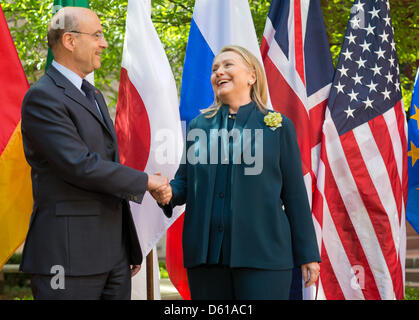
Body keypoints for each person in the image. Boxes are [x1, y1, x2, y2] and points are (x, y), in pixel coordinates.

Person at [19, 7, 168, 300]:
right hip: (67, 258)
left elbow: (107, 164)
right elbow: (79, 165)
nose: (104, 43)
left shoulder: (94, 95)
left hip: (114, 256)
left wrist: (126, 245)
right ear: (70, 41)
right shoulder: (43, 97)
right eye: (97, 35)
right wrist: (146, 181)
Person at [152, 45, 321, 300]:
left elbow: (295, 195)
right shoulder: (199, 126)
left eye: (228, 65)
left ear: (252, 76)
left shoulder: (278, 126)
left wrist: (308, 254)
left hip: (265, 257)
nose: (219, 72)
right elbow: (184, 183)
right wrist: (166, 192)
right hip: (207, 259)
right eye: (215, 68)